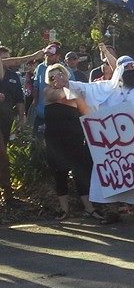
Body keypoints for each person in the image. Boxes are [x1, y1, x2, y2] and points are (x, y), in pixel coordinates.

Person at [68, 48, 134, 223]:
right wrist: (66, 83)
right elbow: (84, 89)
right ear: (118, 70)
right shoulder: (106, 88)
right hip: (113, 141)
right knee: (113, 172)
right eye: (126, 69)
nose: (130, 72)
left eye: (132, 69)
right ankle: (113, 211)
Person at [42, 63, 102, 220]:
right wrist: (65, 87)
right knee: (60, 174)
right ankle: (64, 210)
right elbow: (60, 95)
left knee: (80, 174)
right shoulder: (48, 91)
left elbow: (86, 113)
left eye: (60, 74)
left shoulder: (76, 94)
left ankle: (89, 208)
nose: (56, 79)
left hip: (75, 140)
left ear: (66, 74)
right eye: (52, 76)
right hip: (55, 141)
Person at [1, 46, 39, 205]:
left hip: (6, 119)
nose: (7, 60)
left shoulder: (14, 76)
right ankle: (8, 194)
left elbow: (19, 99)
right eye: (4, 58)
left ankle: (8, 194)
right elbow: (17, 60)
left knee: (3, 156)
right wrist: (35, 54)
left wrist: (22, 117)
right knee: (2, 154)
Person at [33, 43, 61, 130]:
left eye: (51, 55)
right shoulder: (40, 67)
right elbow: (36, 87)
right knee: (37, 140)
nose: (47, 57)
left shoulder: (64, 69)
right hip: (41, 112)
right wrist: (36, 105)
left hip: (58, 114)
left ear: (58, 56)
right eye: (46, 55)